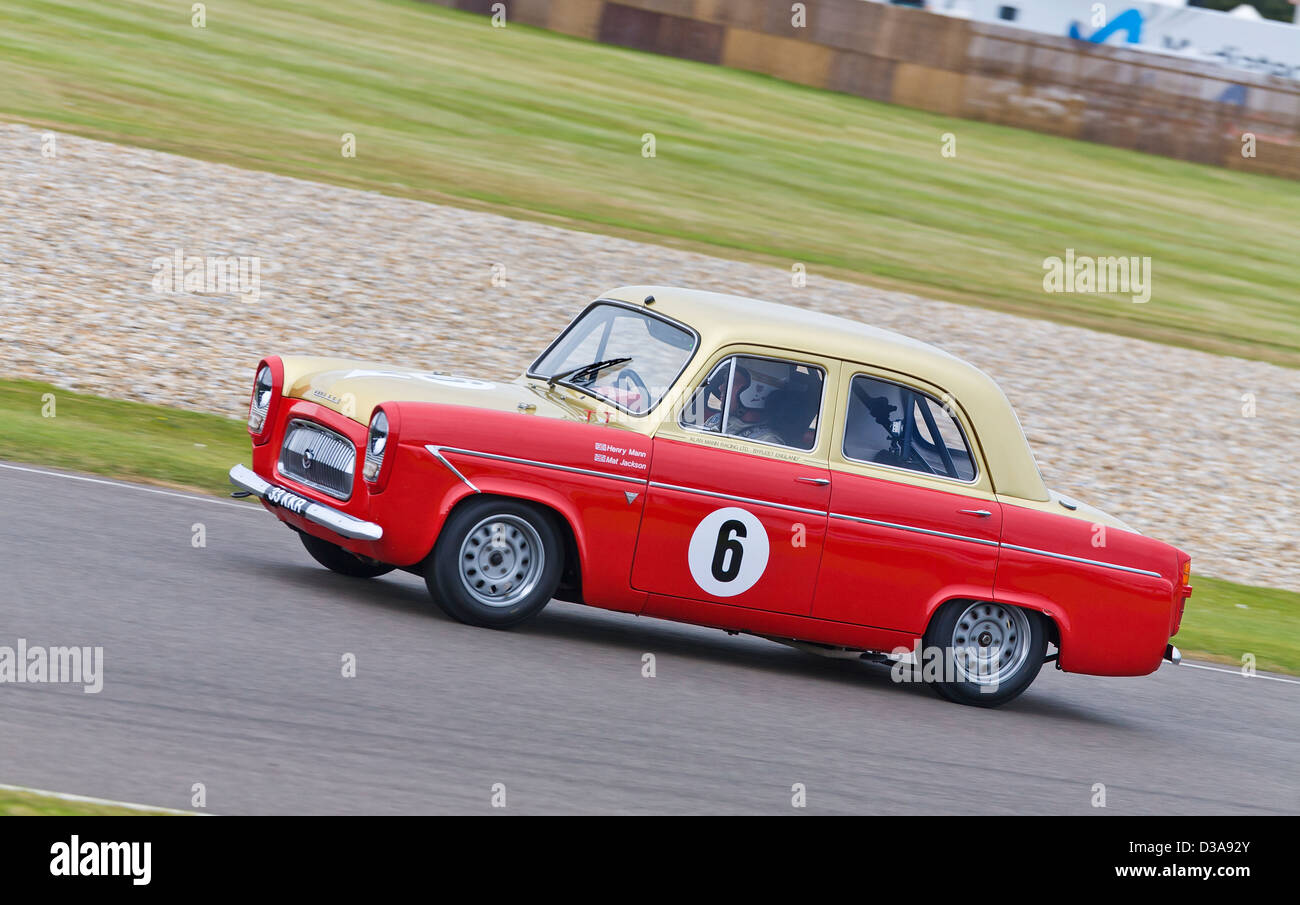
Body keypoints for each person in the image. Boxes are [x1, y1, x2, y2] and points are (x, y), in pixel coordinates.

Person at [702, 362, 787, 445]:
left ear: (756, 390)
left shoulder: (767, 442)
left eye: (732, 382)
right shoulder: (718, 419)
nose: (721, 387)